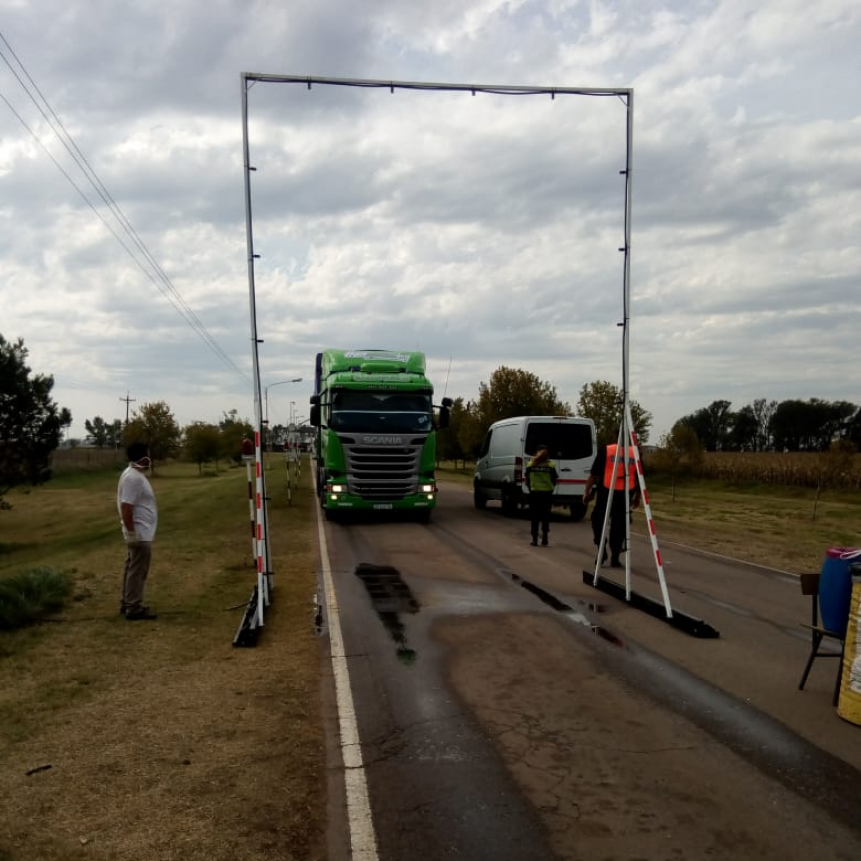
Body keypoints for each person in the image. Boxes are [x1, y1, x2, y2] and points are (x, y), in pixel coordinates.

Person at [117, 441, 159, 620]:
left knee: (132, 567)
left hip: (141, 531)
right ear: (143, 457)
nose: (150, 458)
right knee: (138, 570)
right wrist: (132, 533)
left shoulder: (134, 474)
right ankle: (133, 607)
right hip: (139, 533)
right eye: (148, 454)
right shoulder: (133, 478)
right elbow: (126, 506)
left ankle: (127, 602)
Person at [584, 442, 640, 567]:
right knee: (619, 526)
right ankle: (615, 556)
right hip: (625, 495)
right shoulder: (635, 453)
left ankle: (601, 549)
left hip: (606, 494)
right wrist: (637, 497)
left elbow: (594, 474)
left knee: (597, 522)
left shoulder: (606, 450)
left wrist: (587, 492)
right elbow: (640, 478)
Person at [525, 443, 558, 547]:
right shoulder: (551, 465)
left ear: (537, 452)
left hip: (534, 494)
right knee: (545, 516)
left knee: (534, 516)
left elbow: (527, 480)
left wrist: (531, 489)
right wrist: (550, 488)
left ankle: (534, 540)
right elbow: (554, 480)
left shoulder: (530, 464)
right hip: (547, 494)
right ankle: (545, 539)